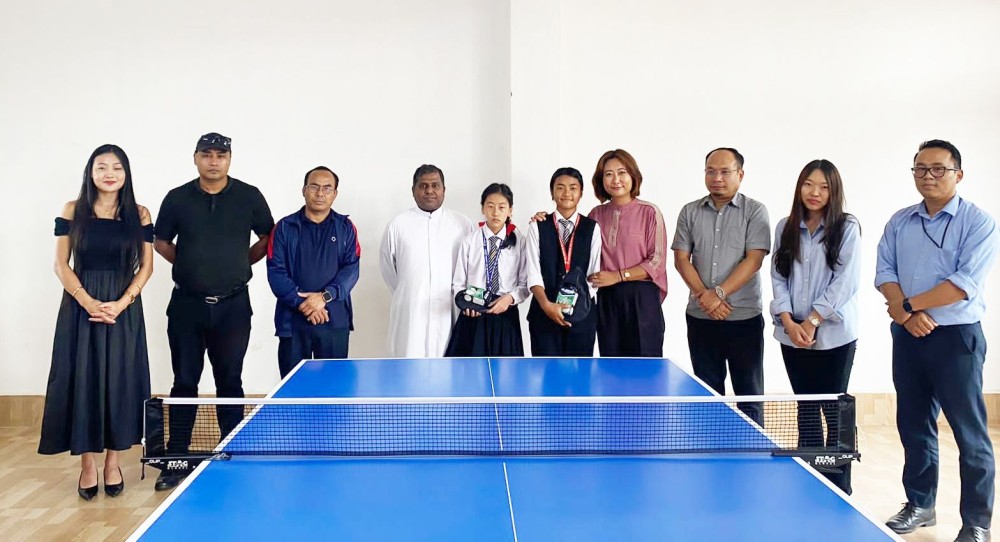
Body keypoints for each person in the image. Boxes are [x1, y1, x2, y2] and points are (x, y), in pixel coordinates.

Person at [876, 140, 997, 542]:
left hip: (956, 339)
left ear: (958, 174)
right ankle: (920, 505)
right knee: (913, 424)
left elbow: (962, 285)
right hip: (908, 335)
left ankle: (976, 523)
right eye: (920, 168)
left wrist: (908, 306)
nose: (928, 176)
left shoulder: (979, 223)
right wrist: (905, 315)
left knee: (970, 434)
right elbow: (885, 271)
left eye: (938, 169)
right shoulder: (900, 221)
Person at [152, 132, 274, 491]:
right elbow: (161, 241)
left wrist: (239, 262)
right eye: (207, 154)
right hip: (186, 306)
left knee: (230, 382)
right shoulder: (177, 198)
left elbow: (268, 237)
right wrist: (189, 264)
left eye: (221, 155)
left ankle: (232, 452)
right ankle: (176, 458)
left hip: (233, 306)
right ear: (195, 158)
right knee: (184, 381)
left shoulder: (249, 196)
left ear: (230, 159)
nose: (214, 161)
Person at [39, 144, 153, 500]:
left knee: (120, 380)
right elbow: (61, 264)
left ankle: (113, 463)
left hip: (124, 307)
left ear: (126, 174)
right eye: (101, 167)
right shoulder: (72, 210)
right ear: (90, 172)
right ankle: (87, 465)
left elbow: (146, 267)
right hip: (80, 305)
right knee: (83, 379)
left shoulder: (140, 214)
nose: (109, 173)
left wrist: (122, 302)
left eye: (117, 167)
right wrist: (87, 300)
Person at [770, 159, 861, 494]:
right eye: (808, 184)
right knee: (806, 409)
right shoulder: (785, 227)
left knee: (834, 411)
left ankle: (840, 487)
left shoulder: (847, 227)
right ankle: (811, 483)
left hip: (835, 336)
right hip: (792, 335)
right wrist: (788, 321)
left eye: (823, 186)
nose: (815, 192)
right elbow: (778, 277)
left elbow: (845, 283)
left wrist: (811, 321)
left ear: (834, 191)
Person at [672, 147, 770, 424]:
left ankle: (752, 450)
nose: (717, 178)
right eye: (711, 171)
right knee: (707, 395)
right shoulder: (690, 211)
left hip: (744, 318)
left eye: (725, 172)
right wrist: (705, 298)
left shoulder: (755, 211)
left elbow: (754, 260)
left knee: (749, 396)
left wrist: (718, 294)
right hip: (700, 317)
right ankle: (710, 448)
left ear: (740, 174)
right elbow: (681, 259)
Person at [267, 166, 360, 377]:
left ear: (335, 194)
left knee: (333, 387)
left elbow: (351, 270)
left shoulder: (345, 227)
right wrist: (304, 304)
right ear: (304, 190)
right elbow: (276, 271)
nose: (320, 193)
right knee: (293, 389)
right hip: (292, 322)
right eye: (314, 187)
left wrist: (324, 297)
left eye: (327, 188)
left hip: (334, 321)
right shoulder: (284, 227)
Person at [379, 164, 475, 357]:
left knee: (450, 366)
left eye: (435, 185)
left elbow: (471, 266)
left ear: (444, 189)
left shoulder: (462, 224)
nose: (429, 191)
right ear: (413, 190)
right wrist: (410, 290)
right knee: (409, 365)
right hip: (411, 312)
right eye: (423, 186)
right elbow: (388, 268)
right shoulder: (398, 225)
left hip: (449, 311)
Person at [585, 149, 669, 357]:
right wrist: (544, 219)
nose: (616, 180)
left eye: (622, 172)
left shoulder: (649, 212)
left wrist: (618, 275)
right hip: (607, 298)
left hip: (642, 298)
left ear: (633, 175)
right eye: (608, 174)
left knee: (645, 366)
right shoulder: (595, 215)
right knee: (611, 365)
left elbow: (657, 261)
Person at [525, 167, 602, 356]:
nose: (567, 193)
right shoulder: (537, 226)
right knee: (546, 370)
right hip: (543, 313)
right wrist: (546, 305)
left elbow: (593, 275)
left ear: (581, 193)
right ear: (552, 193)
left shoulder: (592, 227)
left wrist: (576, 306)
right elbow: (533, 273)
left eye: (573, 188)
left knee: (580, 371)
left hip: (582, 316)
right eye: (560, 187)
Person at [445, 183, 528, 356]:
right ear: (483, 208)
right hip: (474, 313)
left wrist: (510, 298)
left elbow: (525, 283)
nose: (495, 212)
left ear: (510, 210)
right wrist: (465, 304)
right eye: (490, 206)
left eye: (501, 207)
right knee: (471, 369)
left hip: (505, 314)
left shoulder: (520, 241)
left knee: (506, 370)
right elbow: (459, 283)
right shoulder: (470, 241)